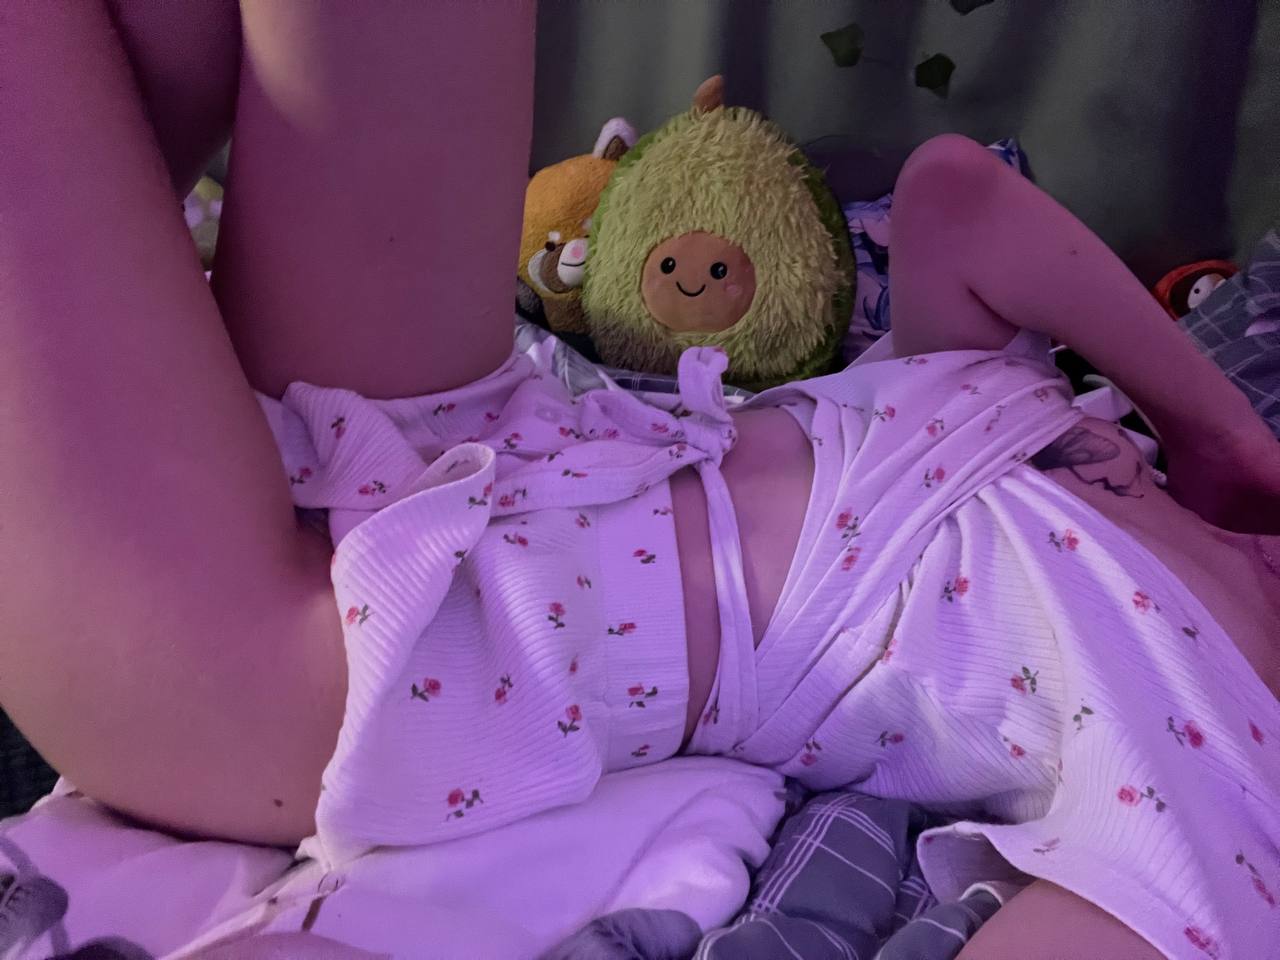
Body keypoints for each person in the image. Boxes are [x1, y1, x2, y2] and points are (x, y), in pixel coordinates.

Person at [2, 4, 1278, 958]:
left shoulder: (1231, 748)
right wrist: (1215, 432)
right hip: (450, 427)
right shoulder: (1109, 445)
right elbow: (956, 195)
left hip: (342, 684)